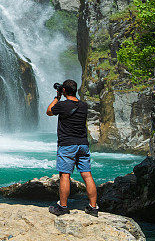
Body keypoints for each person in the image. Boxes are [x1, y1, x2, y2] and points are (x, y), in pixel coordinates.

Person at [46, 78, 98, 217]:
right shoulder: (83, 105)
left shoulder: (62, 105)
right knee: (87, 175)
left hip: (67, 144)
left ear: (63, 90)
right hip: (83, 144)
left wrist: (57, 97)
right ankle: (93, 208)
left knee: (65, 175)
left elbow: (49, 111)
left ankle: (63, 207)